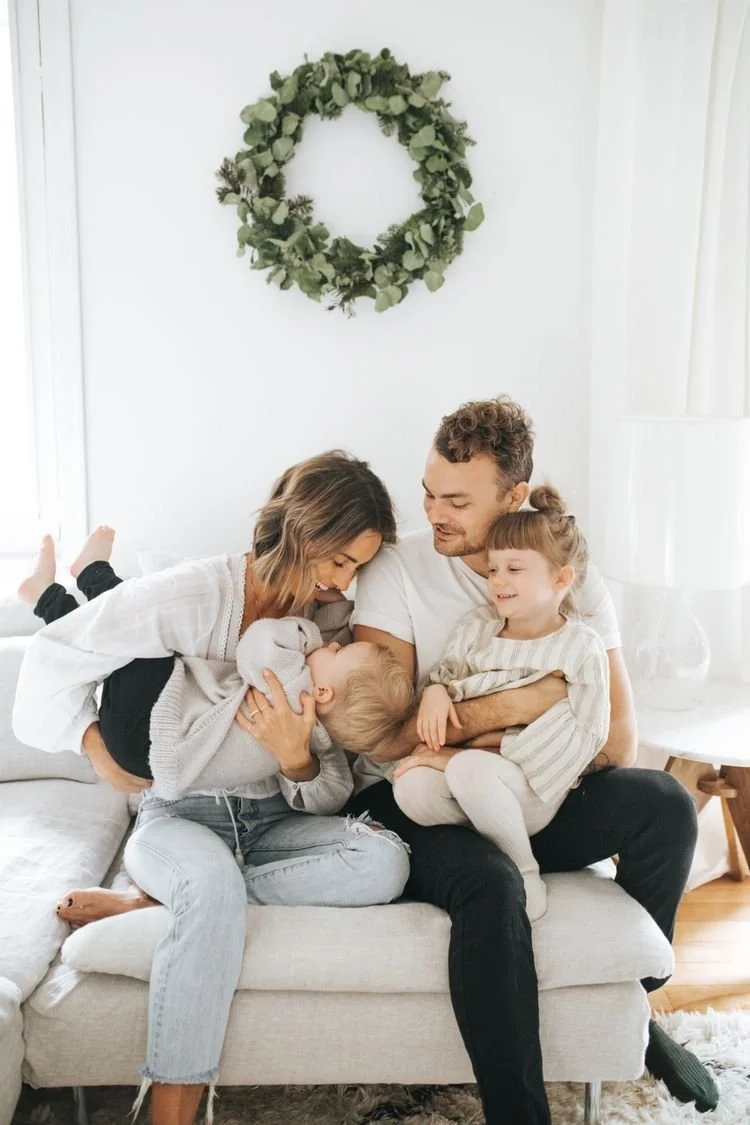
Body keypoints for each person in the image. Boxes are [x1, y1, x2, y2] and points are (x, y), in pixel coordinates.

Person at [343, 397, 715, 1123]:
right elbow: (384, 735)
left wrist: (478, 731)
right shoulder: (398, 571)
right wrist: (526, 703)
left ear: (514, 496)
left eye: (456, 499)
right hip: (423, 798)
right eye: (428, 492)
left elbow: (616, 743)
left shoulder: (568, 573)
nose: (434, 512)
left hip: (529, 791)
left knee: (666, 804)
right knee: (491, 883)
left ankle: (636, 1008)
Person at [13, 450, 412, 1125]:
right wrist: (101, 756)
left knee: (385, 858)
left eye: (356, 569)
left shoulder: (330, 628)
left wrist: (297, 763)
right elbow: (52, 661)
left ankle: (157, 901)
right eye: (341, 561)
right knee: (214, 886)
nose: (345, 585)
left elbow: (334, 789)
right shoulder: (196, 595)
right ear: (306, 533)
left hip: (271, 822)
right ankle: (171, 1113)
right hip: (182, 819)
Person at [392, 484, 609, 921]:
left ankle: (524, 871)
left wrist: (460, 753)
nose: (499, 581)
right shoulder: (477, 627)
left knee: (468, 770)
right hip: (470, 786)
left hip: (532, 788)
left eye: (514, 569)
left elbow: (587, 731)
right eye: (493, 570)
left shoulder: (580, 649)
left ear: (561, 579)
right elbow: (448, 679)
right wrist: (434, 693)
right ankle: (480, 848)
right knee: (409, 787)